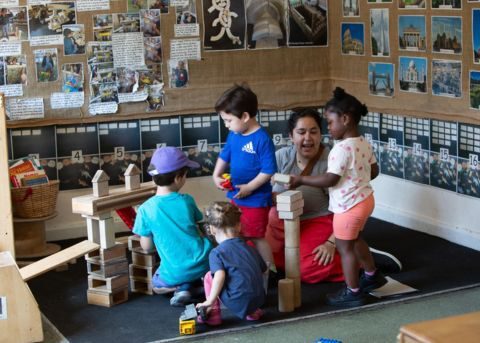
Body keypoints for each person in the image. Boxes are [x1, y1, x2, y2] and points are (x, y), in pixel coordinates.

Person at [288, 87, 386, 307]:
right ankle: (372, 275)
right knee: (356, 239)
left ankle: (353, 291)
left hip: (348, 207)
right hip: (365, 200)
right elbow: (374, 171)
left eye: (330, 122)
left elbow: (330, 180)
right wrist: (357, 179)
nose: (328, 128)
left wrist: (301, 180)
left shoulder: (340, 149)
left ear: (345, 119)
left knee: (345, 248)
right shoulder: (363, 142)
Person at [267, 108, 344, 284]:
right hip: (282, 224)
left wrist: (332, 243)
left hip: (318, 221)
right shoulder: (281, 157)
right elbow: (262, 188)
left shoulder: (331, 161)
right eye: (301, 132)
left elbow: (346, 209)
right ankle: (287, 262)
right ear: (291, 136)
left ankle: (353, 257)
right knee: (252, 251)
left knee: (305, 269)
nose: (308, 138)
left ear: (321, 134)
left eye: (313, 132)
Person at [133, 147, 213, 306]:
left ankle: (183, 287)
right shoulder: (187, 200)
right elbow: (201, 226)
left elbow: (147, 247)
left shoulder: (145, 209)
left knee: (156, 285)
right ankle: (201, 283)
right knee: (198, 265)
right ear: (178, 178)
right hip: (204, 262)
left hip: (175, 272)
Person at [212, 84, 277, 273]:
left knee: (256, 236)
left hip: (256, 201)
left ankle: (270, 271)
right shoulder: (234, 134)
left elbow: (268, 170)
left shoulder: (262, 139)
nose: (226, 125)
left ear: (246, 116)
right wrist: (216, 175)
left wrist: (250, 187)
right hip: (234, 197)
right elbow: (225, 155)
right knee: (235, 234)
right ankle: (244, 269)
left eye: (229, 120)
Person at [196, 202, 267, 325]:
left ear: (212, 229)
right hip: (259, 299)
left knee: (209, 276)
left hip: (237, 301)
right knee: (240, 274)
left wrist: (210, 301)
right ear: (239, 226)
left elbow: (219, 276)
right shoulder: (249, 247)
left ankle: (213, 314)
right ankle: (252, 312)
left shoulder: (216, 253)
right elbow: (263, 268)